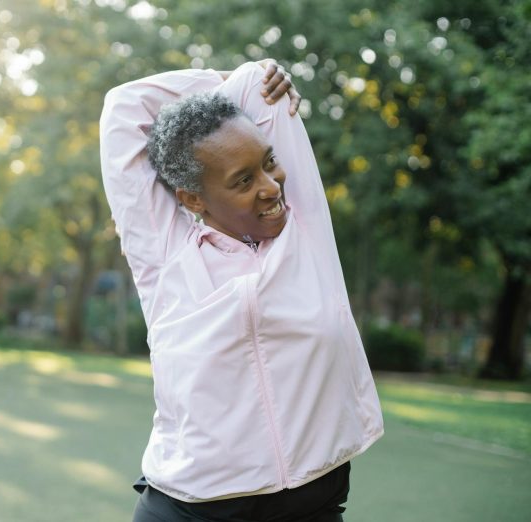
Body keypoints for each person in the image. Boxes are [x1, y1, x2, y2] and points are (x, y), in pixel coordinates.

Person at [99, 59, 384, 521]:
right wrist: (219, 83)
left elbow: (258, 84)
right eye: (243, 180)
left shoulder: (305, 232)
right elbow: (124, 107)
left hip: (309, 506)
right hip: (193, 507)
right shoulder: (166, 256)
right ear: (192, 199)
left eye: (269, 163)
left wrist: (246, 78)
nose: (271, 187)